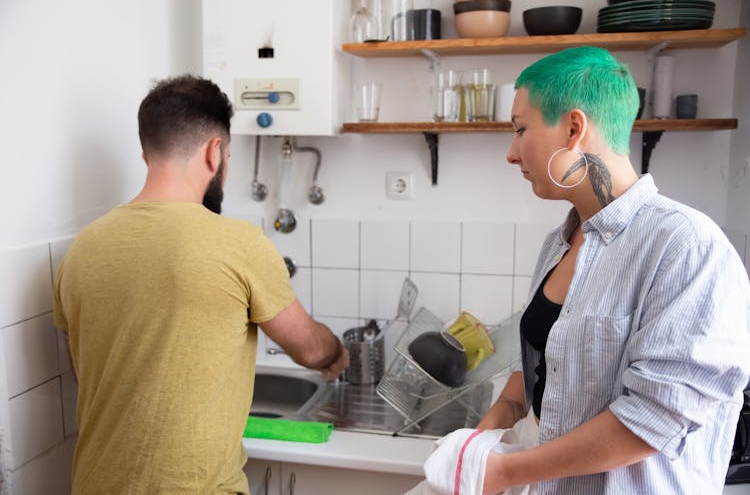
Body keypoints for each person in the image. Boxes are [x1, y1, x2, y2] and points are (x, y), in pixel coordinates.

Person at [415, 47, 750, 495]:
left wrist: (506, 472)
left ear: (574, 128)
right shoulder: (559, 243)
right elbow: (539, 363)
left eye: (520, 130)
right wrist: (482, 439)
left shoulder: (686, 246)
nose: (511, 154)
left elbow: (656, 418)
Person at [53, 75, 349, 494]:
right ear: (215, 152)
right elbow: (309, 348)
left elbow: (89, 373)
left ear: (146, 153)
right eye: (229, 155)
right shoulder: (238, 244)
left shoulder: (81, 250)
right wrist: (336, 352)